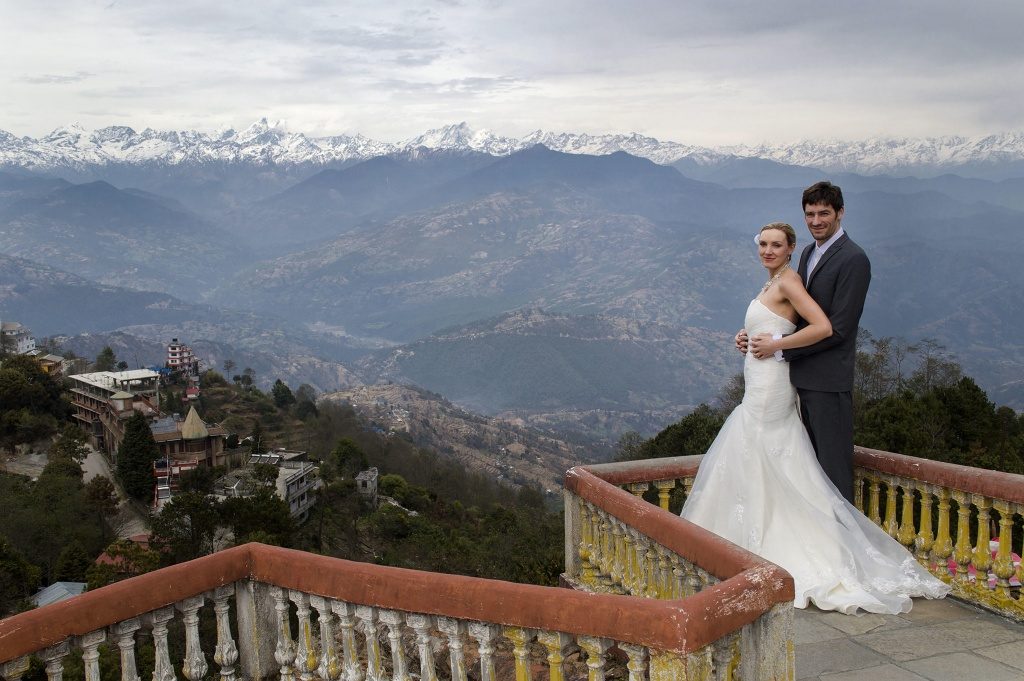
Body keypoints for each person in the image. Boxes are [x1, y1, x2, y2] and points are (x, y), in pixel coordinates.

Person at [680, 222, 949, 614]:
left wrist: (778, 345)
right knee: (757, 453)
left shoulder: (789, 282)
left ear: (791, 250)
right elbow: (772, 325)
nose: (768, 251)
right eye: (764, 245)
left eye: (777, 245)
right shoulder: (773, 282)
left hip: (772, 385)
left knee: (763, 449)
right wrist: (747, 336)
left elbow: (823, 327)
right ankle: (747, 545)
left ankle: (766, 547)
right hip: (759, 377)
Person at [742, 181, 868, 503]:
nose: (816, 221)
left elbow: (837, 329)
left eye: (824, 213)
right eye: (810, 214)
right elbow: (793, 315)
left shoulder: (854, 259)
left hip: (828, 382)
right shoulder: (809, 253)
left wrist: (779, 346)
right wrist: (759, 336)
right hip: (796, 380)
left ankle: (843, 546)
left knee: (833, 471)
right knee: (807, 471)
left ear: (840, 212)